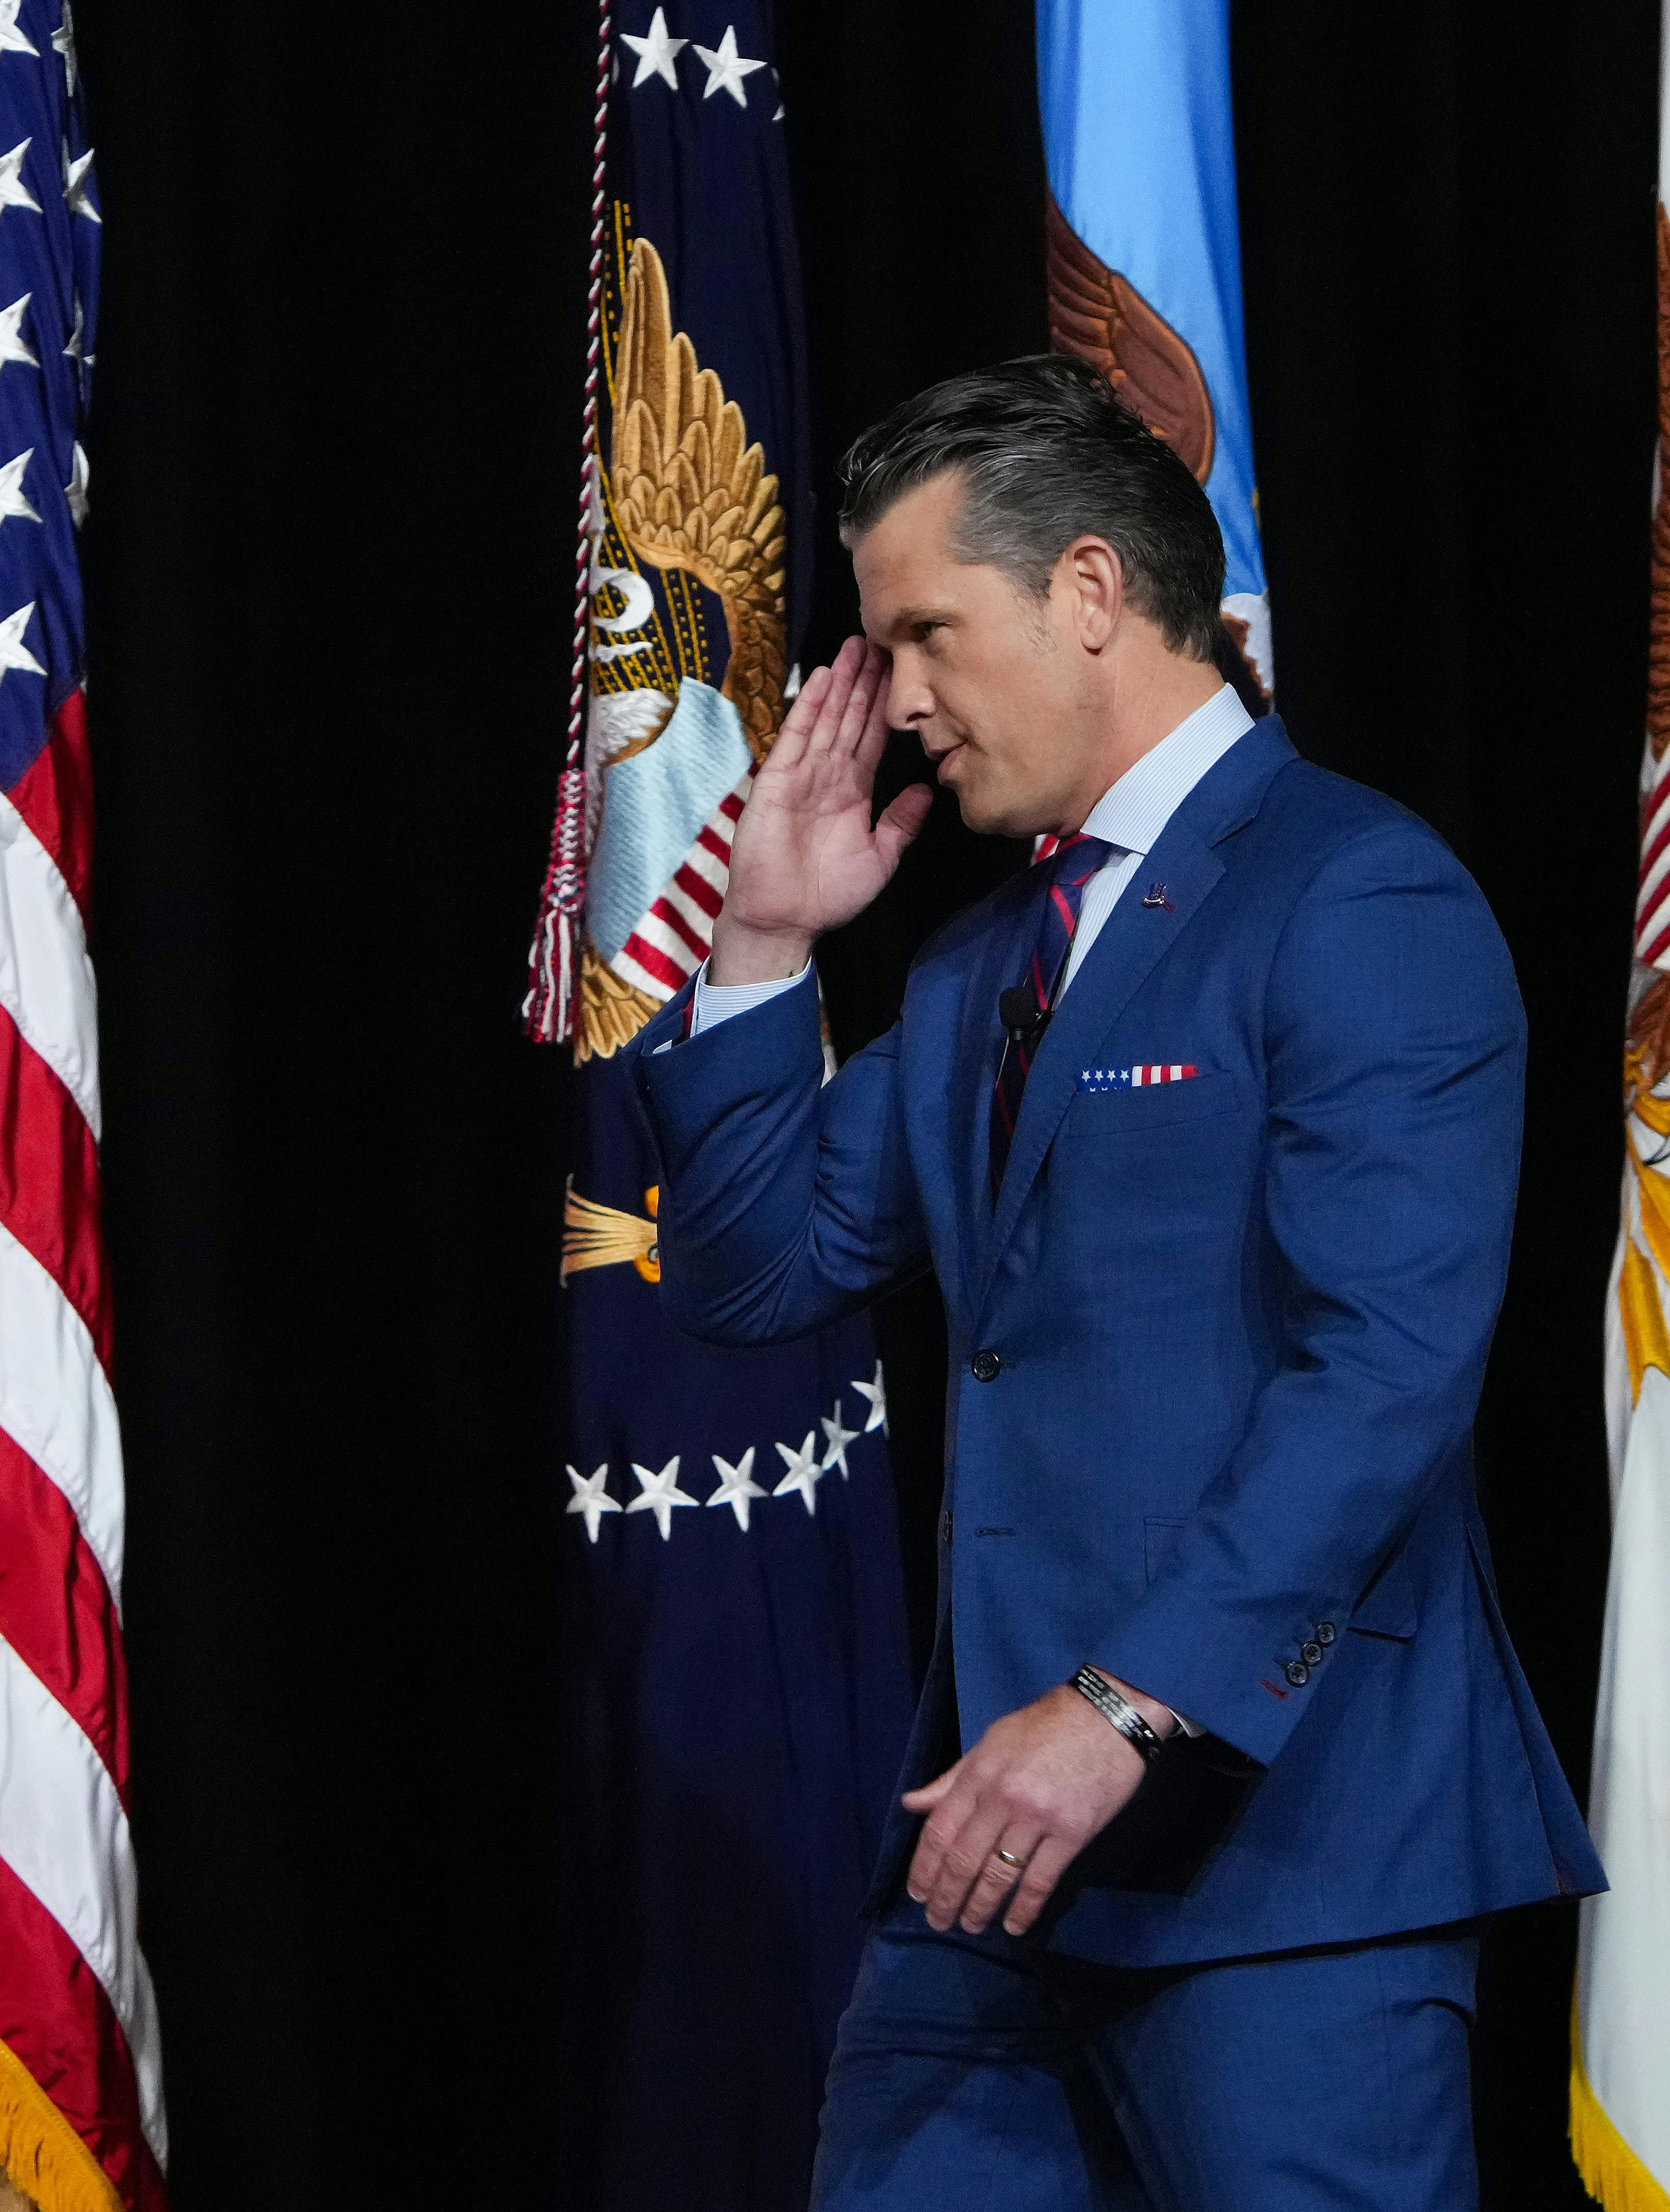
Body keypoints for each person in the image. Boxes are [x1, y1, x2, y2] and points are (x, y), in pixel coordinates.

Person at [625, 354, 1602, 2212]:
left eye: (923, 634)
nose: (900, 705)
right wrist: (762, 939)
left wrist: (1128, 1707)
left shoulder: (1354, 891)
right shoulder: (983, 957)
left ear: (1088, 590)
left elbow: (1385, 1368)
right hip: (988, 1869)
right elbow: (748, 1276)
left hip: (1282, 1856)